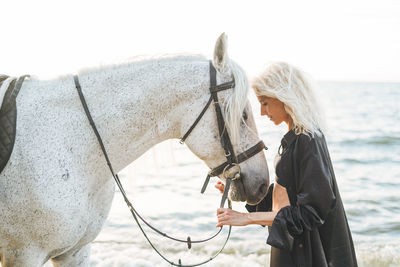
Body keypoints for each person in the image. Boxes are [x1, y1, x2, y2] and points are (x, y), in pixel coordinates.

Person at [215, 62, 358, 267]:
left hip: (308, 255)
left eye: (265, 103)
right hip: (291, 247)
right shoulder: (295, 138)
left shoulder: (308, 139)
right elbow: (284, 202)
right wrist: (242, 193)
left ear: (284, 97)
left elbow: (312, 210)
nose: (263, 113)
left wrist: (246, 219)